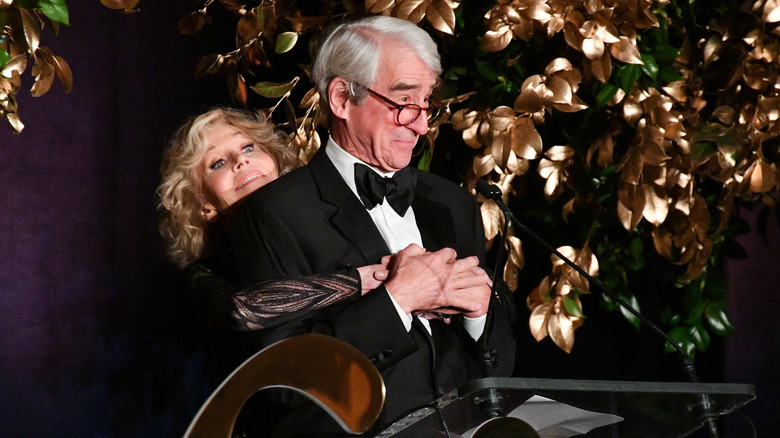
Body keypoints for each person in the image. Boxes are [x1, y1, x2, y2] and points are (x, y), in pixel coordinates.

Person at [232, 15, 516, 435]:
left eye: (428, 105)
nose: (421, 125)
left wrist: (481, 317)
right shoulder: (276, 213)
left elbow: (498, 369)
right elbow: (281, 385)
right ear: (342, 99)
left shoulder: (453, 203)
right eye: (404, 103)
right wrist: (396, 301)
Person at [156, 107, 388, 369]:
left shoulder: (333, 221)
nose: (241, 161)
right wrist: (360, 280)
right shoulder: (204, 273)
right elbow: (242, 311)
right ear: (203, 205)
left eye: (248, 147)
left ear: (276, 162)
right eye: (217, 163)